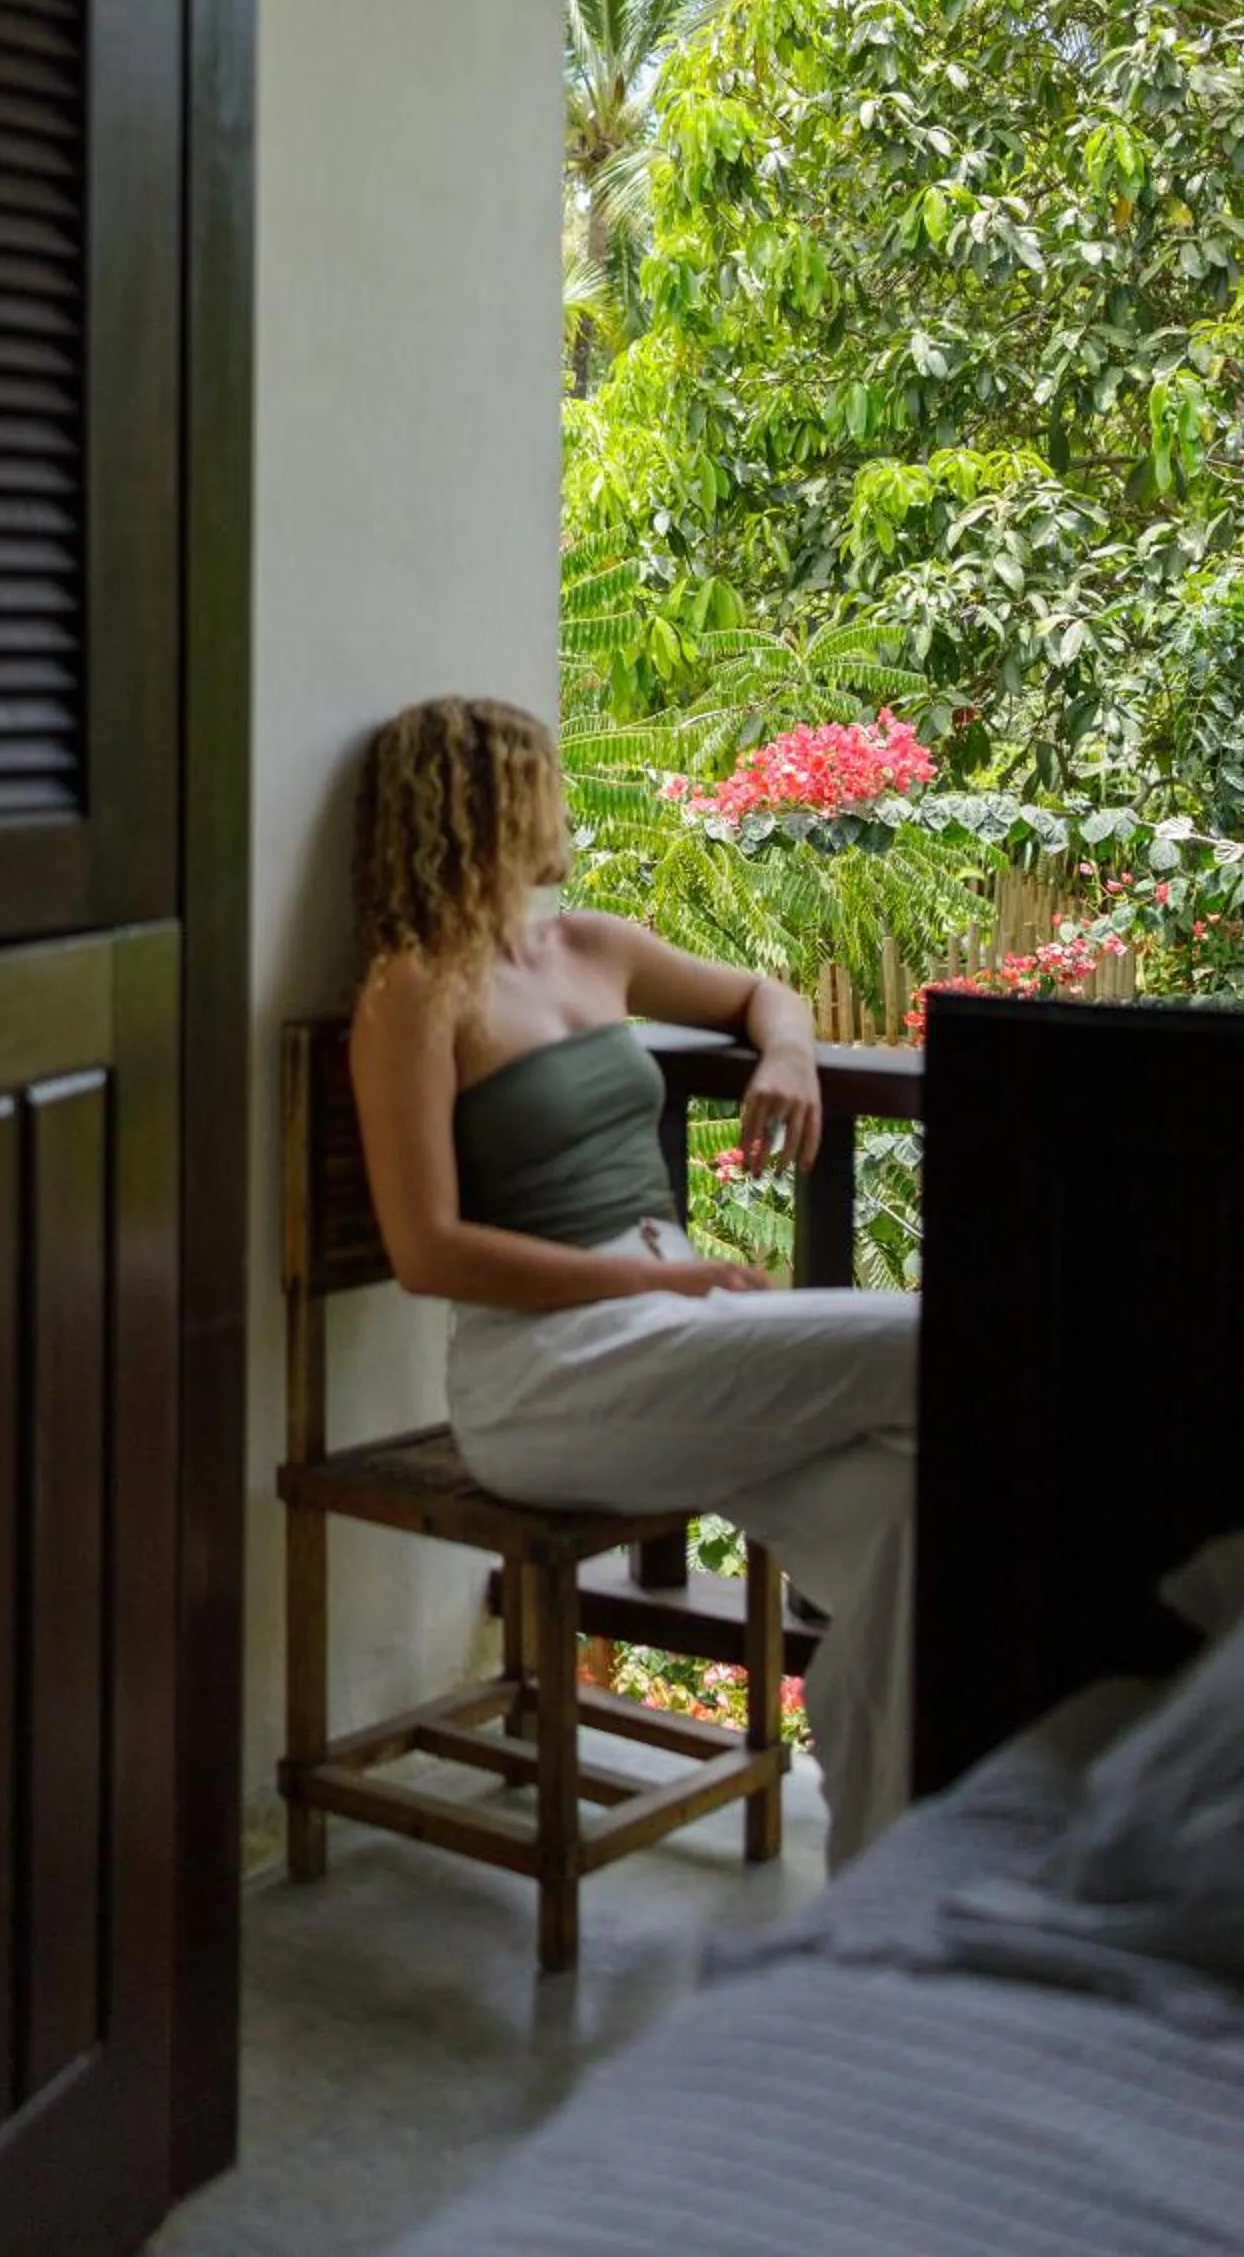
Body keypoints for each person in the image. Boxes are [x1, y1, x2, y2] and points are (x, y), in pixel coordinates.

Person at [347, 694, 920, 1871]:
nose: (563, 804)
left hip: (663, 1335)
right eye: (544, 782)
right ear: (483, 806)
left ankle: (881, 1883)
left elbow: (762, 995)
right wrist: (652, 1276)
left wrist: (789, 1056)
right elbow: (426, 1250)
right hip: (542, 1378)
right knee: (930, 1342)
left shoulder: (591, 947)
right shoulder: (414, 991)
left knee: (904, 1522)